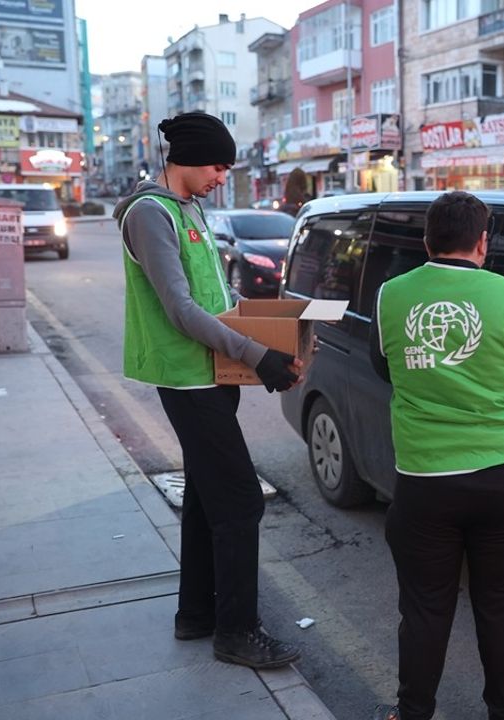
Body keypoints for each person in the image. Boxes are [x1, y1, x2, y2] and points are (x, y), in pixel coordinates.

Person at [113, 112, 304, 670]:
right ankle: (238, 631)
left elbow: (214, 291)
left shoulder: (189, 209)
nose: (224, 175)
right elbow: (181, 309)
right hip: (188, 378)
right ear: (190, 159)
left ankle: (195, 615)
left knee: (203, 497)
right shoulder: (150, 214)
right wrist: (258, 354)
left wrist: (265, 323)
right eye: (219, 165)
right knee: (241, 501)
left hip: (212, 376)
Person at [369, 191, 504, 720]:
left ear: (428, 241)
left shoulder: (391, 297)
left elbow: (386, 368)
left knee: (425, 608)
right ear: (482, 243)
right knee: (501, 607)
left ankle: (412, 714)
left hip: (425, 481)